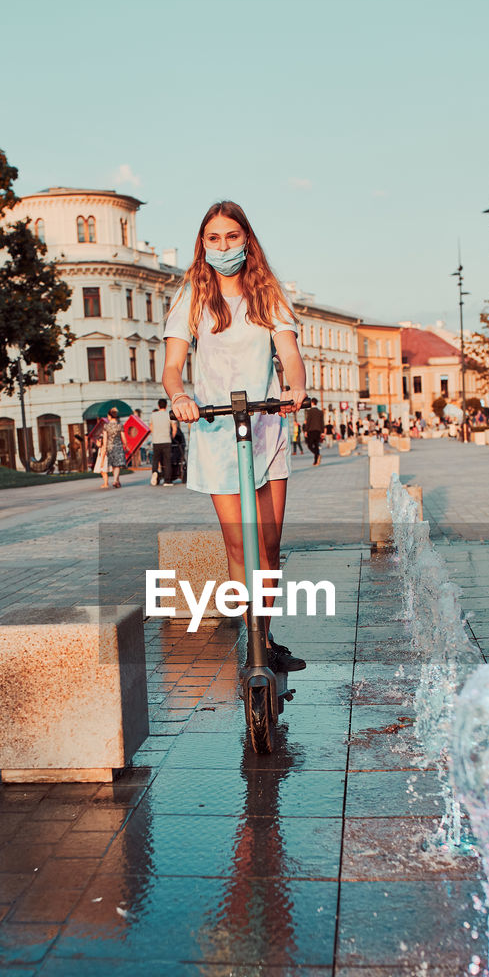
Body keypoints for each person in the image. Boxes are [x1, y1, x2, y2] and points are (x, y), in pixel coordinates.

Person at [161, 199, 307, 672]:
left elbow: (288, 351)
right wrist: (180, 396)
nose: (223, 246)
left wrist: (296, 386)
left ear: (247, 240)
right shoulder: (192, 296)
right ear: (203, 245)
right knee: (238, 544)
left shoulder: (268, 294)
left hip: (266, 425)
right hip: (216, 429)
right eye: (214, 238)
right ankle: (253, 643)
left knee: (268, 544)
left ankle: (265, 639)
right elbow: (171, 366)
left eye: (232, 236)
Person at [149, 397, 176, 486]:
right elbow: (174, 428)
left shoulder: (153, 415)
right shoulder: (169, 415)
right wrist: (172, 437)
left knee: (155, 460)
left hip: (156, 441)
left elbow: (151, 428)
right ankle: (167, 481)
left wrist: (155, 434)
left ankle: (155, 473)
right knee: (167, 461)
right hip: (166, 440)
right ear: (166, 405)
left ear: (158, 405)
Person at [304, 397, 324, 466]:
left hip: (311, 430)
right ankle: (316, 461)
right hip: (318, 430)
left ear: (312, 403)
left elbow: (308, 422)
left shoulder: (310, 411)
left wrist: (306, 431)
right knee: (316, 445)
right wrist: (322, 432)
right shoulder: (320, 412)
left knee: (310, 445)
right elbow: (322, 422)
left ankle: (317, 455)